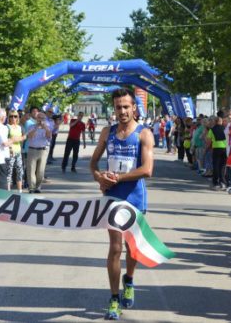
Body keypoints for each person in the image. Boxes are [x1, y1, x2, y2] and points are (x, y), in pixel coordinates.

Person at [89, 88, 154, 320]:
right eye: (118, 107)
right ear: (114, 109)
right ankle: (114, 298)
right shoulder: (107, 132)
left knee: (132, 248)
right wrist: (98, 177)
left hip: (136, 198)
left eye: (126, 106)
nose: (123, 111)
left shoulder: (144, 134)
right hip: (112, 198)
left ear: (134, 107)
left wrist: (117, 178)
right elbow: (94, 163)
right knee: (115, 248)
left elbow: (147, 170)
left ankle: (130, 280)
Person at [26, 111, 52, 193]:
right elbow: (29, 136)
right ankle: (31, 187)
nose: (40, 120)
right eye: (39, 118)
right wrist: (36, 128)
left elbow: (49, 136)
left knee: (40, 171)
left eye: (42, 118)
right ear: (36, 119)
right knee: (31, 170)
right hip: (32, 149)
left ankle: (38, 187)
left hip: (43, 150)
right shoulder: (31, 127)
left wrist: (45, 128)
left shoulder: (47, 127)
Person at [6, 111, 26, 191]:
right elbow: (6, 139)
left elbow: (24, 137)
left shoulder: (20, 127)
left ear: (18, 117)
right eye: (11, 116)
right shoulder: (7, 127)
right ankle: (8, 190)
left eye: (15, 116)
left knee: (20, 171)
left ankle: (20, 190)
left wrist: (14, 139)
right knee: (9, 171)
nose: (13, 118)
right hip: (10, 152)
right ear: (8, 117)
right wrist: (10, 147)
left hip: (18, 151)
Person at [207, 116, 228, 189]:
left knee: (215, 165)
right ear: (221, 122)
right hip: (224, 149)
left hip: (216, 149)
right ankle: (223, 181)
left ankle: (215, 182)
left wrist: (208, 148)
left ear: (215, 122)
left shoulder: (211, 130)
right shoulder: (225, 129)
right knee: (223, 166)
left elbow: (209, 141)